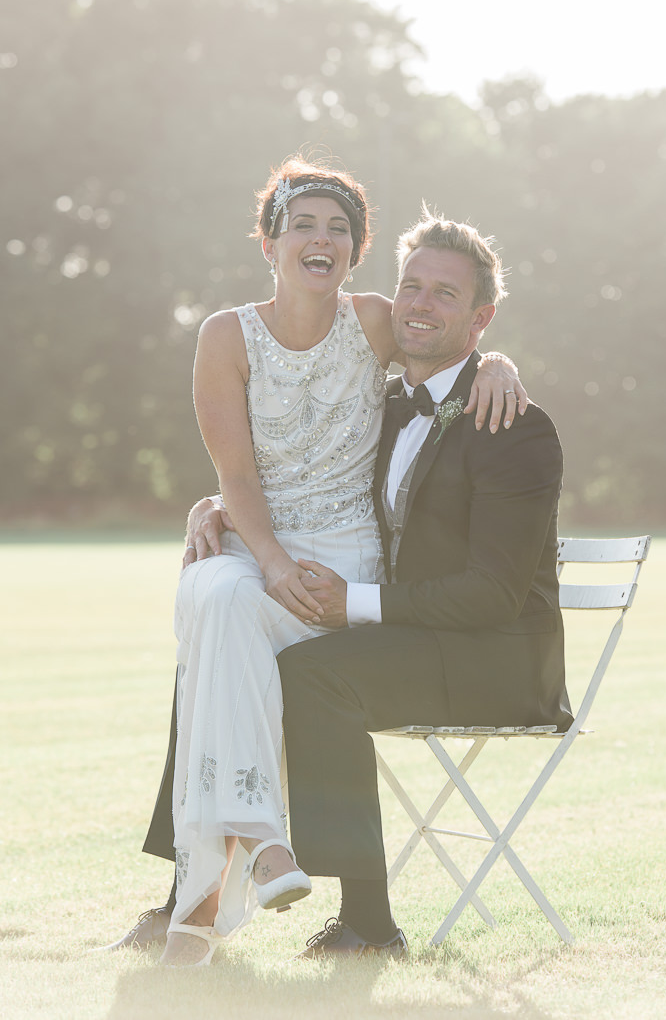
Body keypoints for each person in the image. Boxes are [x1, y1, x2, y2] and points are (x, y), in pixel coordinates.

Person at [104, 158, 527, 966]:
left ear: (357, 251)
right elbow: (235, 474)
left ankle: (196, 895)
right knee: (216, 602)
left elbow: (444, 353)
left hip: (346, 558)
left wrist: (499, 365)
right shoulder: (225, 334)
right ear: (269, 242)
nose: (320, 238)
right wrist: (257, 548)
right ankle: (261, 842)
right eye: (303, 224)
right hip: (261, 541)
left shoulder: (372, 322)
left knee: (215, 634)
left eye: (338, 228)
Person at [274, 208, 573, 957]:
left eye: (445, 293)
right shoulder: (383, 406)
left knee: (313, 676)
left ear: (481, 319)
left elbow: (493, 596)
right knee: (248, 635)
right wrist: (220, 504)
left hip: (498, 658)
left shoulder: (513, 422)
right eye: (411, 286)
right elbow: (300, 470)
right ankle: (206, 876)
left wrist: (356, 606)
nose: (419, 304)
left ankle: (368, 924)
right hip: (420, 642)